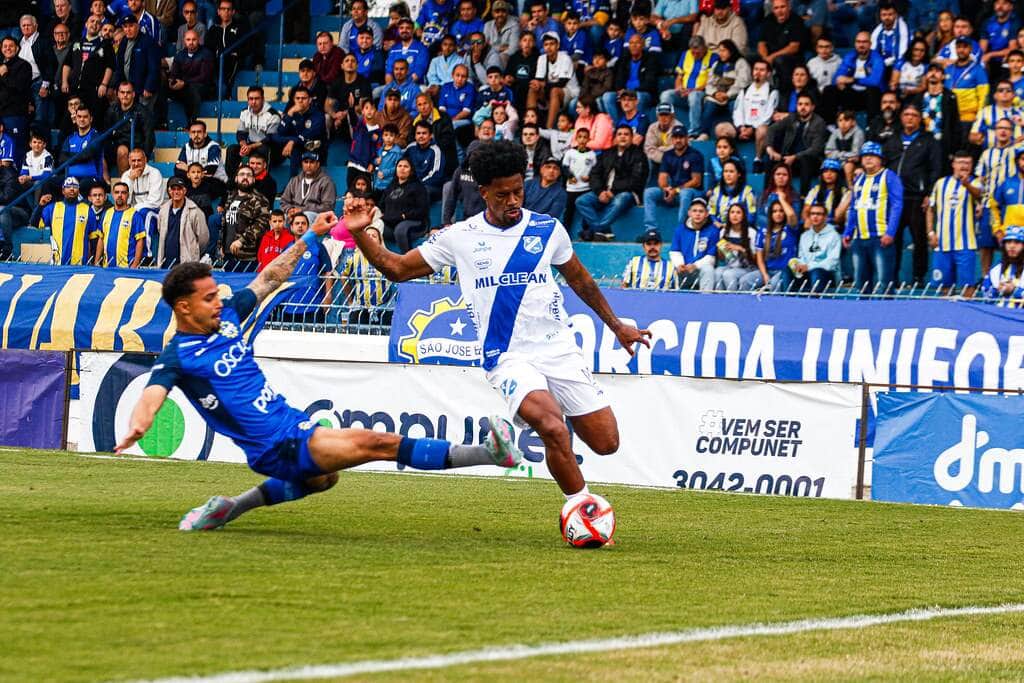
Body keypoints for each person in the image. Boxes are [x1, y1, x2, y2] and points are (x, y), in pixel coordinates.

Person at [117, 215, 522, 530]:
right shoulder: (178, 356)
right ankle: (491, 453)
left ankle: (228, 508)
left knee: (324, 481)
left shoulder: (228, 319)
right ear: (184, 308)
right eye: (208, 299)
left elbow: (270, 277)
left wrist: (311, 236)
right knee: (377, 442)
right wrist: (139, 425)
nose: (219, 302)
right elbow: (152, 396)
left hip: (291, 425)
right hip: (276, 445)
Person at [345, 139, 649, 506]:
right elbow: (396, 268)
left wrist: (616, 326)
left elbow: (581, 280)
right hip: (507, 356)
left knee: (606, 442)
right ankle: (581, 507)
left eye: (518, 191)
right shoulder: (460, 237)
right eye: (502, 194)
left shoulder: (548, 229)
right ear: (484, 191)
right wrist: (361, 232)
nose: (513, 201)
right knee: (553, 427)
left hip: (559, 349)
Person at [882, 103, 943, 286]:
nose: (910, 117)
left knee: (919, 239)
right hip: (894, 198)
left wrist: (929, 193)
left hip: (916, 197)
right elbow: (883, 165)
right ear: (901, 117)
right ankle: (891, 277)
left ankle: (918, 277)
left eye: (914, 115)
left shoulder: (929, 141)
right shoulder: (892, 140)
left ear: (920, 119)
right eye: (906, 114)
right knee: (893, 238)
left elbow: (935, 168)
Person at [843, 141, 904, 293]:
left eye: (872, 156)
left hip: (880, 237)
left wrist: (890, 232)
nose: (868, 159)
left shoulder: (889, 177)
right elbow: (853, 208)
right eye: (865, 156)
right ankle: (863, 315)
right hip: (859, 238)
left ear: (880, 159)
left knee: (884, 283)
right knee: (861, 284)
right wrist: (848, 232)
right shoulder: (859, 180)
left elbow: (897, 206)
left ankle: (887, 314)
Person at [575, 124, 648, 241]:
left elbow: (636, 180)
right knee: (581, 201)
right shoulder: (607, 153)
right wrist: (600, 192)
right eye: (619, 134)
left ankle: (597, 229)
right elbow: (594, 174)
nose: (622, 137)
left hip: (627, 193)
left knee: (621, 199)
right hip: (603, 192)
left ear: (632, 137)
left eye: (626, 134)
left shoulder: (639, 155)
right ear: (615, 137)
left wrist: (613, 191)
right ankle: (602, 230)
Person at [926, 151, 983, 295]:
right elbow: (930, 209)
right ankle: (945, 316)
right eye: (960, 162)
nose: (963, 166)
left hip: (966, 244)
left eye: (967, 163)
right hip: (943, 244)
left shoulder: (976, 183)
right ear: (953, 164)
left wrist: (966, 185)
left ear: (972, 166)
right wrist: (930, 232)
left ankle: (968, 316)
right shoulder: (941, 183)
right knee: (944, 286)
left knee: (967, 286)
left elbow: (980, 196)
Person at [976, 119, 1018, 276]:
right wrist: (979, 203)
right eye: (1000, 128)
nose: (1003, 131)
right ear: (994, 131)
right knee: (986, 245)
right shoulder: (987, 154)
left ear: (1012, 132)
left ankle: (1010, 277)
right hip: (988, 205)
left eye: (1007, 128)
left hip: (1010, 206)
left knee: (1010, 244)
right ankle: (986, 277)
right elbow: (981, 180)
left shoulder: (1017, 152)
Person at [643, 126, 704, 232]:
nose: (678, 140)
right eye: (675, 137)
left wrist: (675, 190)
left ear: (687, 138)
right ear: (672, 139)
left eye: (681, 137)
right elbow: (662, 178)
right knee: (649, 192)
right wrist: (666, 189)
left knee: (685, 193)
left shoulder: (695, 155)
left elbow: (696, 181)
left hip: (693, 193)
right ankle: (651, 229)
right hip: (674, 192)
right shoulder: (668, 155)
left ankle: (682, 230)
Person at [764, 92, 826, 193]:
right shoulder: (792, 118)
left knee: (806, 161)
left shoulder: (819, 123)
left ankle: (803, 196)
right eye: (800, 104)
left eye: (806, 104)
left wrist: (795, 157)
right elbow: (771, 129)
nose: (803, 107)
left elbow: (815, 149)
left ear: (813, 107)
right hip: (788, 158)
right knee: (770, 160)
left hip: (809, 160)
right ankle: (767, 194)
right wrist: (770, 149)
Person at [819, 31, 885, 124]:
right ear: (855, 43)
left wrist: (852, 80)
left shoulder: (877, 58)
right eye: (858, 42)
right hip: (852, 95)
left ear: (870, 44)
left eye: (864, 42)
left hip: (869, 97)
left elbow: (875, 81)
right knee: (829, 89)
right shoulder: (850, 56)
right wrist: (839, 82)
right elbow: (837, 77)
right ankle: (829, 125)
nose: (861, 45)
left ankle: (871, 127)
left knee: (872, 91)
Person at [33, 176, 100, 265]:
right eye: (68, 187)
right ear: (63, 191)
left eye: (75, 186)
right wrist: (40, 206)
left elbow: (93, 239)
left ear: (79, 191)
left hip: (80, 265)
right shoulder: (52, 208)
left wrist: (93, 261)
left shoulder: (87, 210)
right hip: (58, 264)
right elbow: (34, 223)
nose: (72, 189)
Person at [722, 59, 776, 171]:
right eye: (756, 69)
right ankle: (730, 159)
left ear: (768, 73)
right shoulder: (745, 90)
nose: (758, 72)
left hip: (758, 128)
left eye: (762, 70)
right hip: (743, 127)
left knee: (763, 130)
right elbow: (737, 110)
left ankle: (758, 159)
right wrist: (741, 127)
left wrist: (752, 128)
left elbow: (769, 115)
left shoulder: (772, 91)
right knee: (721, 128)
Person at [662, 35, 717, 138]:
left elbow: (711, 81)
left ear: (704, 48)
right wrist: (679, 88)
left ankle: (694, 131)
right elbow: (679, 76)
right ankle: (667, 128)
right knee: (665, 95)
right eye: (693, 52)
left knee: (694, 95)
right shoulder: (686, 54)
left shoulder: (713, 57)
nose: (695, 55)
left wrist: (693, 90)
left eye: (698, 53)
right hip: (684, 91)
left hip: (702, 92)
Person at [740, 197, 799, 291]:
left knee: (773, 285)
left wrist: (782, 199)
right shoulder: (762, 231)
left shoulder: (790, 229)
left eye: (781, 211)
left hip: (784, 272)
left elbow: (791, 215)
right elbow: (759, 258)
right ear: (770, 214)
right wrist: (764, 274)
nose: (778, 214)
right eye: (774, 211)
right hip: (767, 270)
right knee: (745, 281)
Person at [220, 165, 270, 271]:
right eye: (242, 174)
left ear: (253, 179)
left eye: (249, 175)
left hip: (248, 256)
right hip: (228, 254)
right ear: (236, 178)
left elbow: (261, 225)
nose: (245, 177)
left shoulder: (260, 200)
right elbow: (226, 223)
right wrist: (221, 245)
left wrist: (241, 241)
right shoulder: (231, 197)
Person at [60, 14, 114, 115]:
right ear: (86, 24)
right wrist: (64, 82)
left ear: (101, 27)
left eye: (98, 23)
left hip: (94, 90)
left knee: (92, 118)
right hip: (74, 90)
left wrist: (104, 84)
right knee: (71, 119)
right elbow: (67, 64)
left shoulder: (105, 45)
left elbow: (109, 66)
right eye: (92, 21)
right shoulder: (76, 42)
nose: (94, 24)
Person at [227, 87, 281, 179]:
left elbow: (270, 139)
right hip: (252, 146)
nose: (253, 102)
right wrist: (244, 145)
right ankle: (233, 182)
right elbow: (241, 133)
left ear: (263, 99)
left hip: (272, 148)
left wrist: (250, 147)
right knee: (232, 149)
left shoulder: (273, 115)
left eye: (257, 98)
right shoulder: (245, 112)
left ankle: (262, 183)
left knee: (264, 149)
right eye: (251, 99)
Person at [274, 86, 328, 176]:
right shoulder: (292, 112)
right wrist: (289, 113)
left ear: (310, 100)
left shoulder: (318, 115)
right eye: (297, 98)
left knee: (296, 148)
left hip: (315, 147)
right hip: (297, 145)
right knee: (273, 137)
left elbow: (310, 135)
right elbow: (280, 132)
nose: (300, 101)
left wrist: (292, 141)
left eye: (303, 98)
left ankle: (293, 184)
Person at [111, 14, 159, 113]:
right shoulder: (123, 41)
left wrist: (148, 86)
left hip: (143, 90)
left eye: (131, 26)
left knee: (144, 117)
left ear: (138, 26)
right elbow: (119, 66)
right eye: (125, 26)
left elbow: (154, 67)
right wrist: (117, 86)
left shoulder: (148, 41)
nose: (128, 29)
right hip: (128, 90)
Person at [157, 176, 209, 268]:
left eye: (179, 189)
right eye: (173, 189)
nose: (176, 192)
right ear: (169, 191)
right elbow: (160, 230)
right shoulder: (163, 210)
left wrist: (193, 251)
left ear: (184, 191)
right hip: (166, 263)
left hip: (186, 264)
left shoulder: (195, 211)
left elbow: (203, 239)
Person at [913, 63, 960, 161]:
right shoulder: (918, 97)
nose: (933, 73)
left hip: (943, 145)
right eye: (930, 71)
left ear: (943, 76)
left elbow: (955, 124)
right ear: (926, 75)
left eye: (937, 71)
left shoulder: (950, 97)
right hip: (922, 144)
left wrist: (953, 150)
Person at [381, 157, 429, 253]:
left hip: (414, 222)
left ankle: (407, 260)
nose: (402, 168)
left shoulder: (418, 187)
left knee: (400, 230)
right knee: (374, 227)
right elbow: (381, 204)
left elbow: (422, 210)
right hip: (391, 223)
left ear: (411, 170)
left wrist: (404, 216)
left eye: (406, 166)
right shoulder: (391, 186)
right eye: (400, 166)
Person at [668, 197, 718, 290]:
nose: (697, 214)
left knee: (708, 269)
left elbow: (711, 257)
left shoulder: (713, 231)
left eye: (701, 211)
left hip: (700, 270)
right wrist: (680, 264)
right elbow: (675, 251)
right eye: (694, 211)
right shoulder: (680, 229)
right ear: (689, 213)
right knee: (668, 269)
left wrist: (695, 266)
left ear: (707, 214)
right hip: (683, 270)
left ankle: (706, 299)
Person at [603, 33, 657, 120]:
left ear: (643, 45)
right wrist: (620, 89)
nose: (634, 46)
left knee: (639, 97)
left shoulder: (650, 59)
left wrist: (632, 92)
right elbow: (618, 79)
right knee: (607, 96)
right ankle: (618, 125)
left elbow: (649, 82)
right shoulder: (624, 59)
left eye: (637, 43)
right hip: (625, 93)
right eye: (631, 43)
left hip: (642, 92)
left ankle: (638, 123)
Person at [18, 14, 58, 130]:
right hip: (23, 86)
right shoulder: (19, 43)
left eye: (28, 25)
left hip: (39, 83)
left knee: (40, 119)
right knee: (25, 117)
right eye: (23, 25)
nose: (26, 28)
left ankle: (43, 145)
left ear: (35, 26)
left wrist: (45, 85)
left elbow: (51, 63)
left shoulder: (43, 41)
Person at [167, 30, 213, 125]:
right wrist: (172, 82)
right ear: (184, 41)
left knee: (192, 91)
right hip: (183, 86)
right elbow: (174, 73)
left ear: (199, 40)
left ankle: (193, 123)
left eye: (194, 39)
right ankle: (163, 122)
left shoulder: (206, 54)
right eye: (188, 40)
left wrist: (185, 83)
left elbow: (204, 77)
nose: (191, 42)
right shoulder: (180, 55)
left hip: (201, 87)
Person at [792, 203, 840, 291]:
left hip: (826, 273)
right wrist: (799, 265)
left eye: (818, 214)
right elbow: (802, 257)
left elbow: (832, 262)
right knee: (787, 271)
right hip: (807, 272)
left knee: (816, 272)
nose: (815, 217)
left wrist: (809, 267)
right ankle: (787, 302)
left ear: (825, 217)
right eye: (812, 214)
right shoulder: (804, 236)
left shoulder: (834, 236)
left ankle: (815, 303)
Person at [944, 36, 989, 131]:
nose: (961, 50)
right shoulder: (948, 69)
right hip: (949, 118)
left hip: (968, 119)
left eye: (965, 47)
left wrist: (979, 118)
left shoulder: (978, 70)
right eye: (959, 47)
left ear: (970, 49)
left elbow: (984, 96)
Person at [104, 82, 150, 175]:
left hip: (136, 147)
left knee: (122, 150)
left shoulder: (142, 111)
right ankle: (106, 184)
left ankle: (124, 184)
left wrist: (144, 155)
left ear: (133, 94)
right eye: (122, 92)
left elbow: (149, 136)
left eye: (128, 92)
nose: (125, 95)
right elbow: (106, 134)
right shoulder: (112, 110)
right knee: (96, 151)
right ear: (117, 94)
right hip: (116, 146)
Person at [59, 105, 106, 194]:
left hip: (91, 177)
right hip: (71, 178)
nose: (82, 119)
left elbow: (87, 155)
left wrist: (71, 156)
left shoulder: (95, 136)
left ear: (91, 119)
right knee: (49, 183)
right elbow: (62, 159)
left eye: (85, 117)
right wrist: (80, 156)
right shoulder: (70, 138)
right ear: (75, 118)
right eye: (79, 117)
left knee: (81, 186)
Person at [99, 180, 147, 268]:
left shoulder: (135, 215)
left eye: (123, 192)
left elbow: (140, 241)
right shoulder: (106, 213)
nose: (120, 195)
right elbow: (101, 238)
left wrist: (135, 265)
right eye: (117, 192)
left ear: (128, 195)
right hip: (107, 267)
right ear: (112, 195)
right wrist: (97, 262)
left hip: (127, 267)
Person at [280, 153, 337, 223]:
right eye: (306, 162)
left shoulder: (326, 182)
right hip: (295, 213)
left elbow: (328, 207)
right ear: (302, 164)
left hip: (316, 215)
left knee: (306, 216)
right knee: (282, 218)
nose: (308, 165)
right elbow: (284, 201)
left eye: (312, 162)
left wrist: (303, 210)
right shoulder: (294, 180)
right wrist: (290, 210)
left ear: (318, 164)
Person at [175, 119, 227, 194]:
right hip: (194, 182)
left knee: (203, 185)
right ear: (190, 134)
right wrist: (196, 173)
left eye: (199, 132)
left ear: (205, 134)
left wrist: (188, 169)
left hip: (214, 182)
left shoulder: (214, 147)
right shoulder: (186, 147)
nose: (196, 135)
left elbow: (209, 172)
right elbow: (178, 170)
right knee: (174, 181)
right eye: (193, 132)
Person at [714, 203, 758, 290]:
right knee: (717, 272)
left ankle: (733, 300)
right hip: (730, 266)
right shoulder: (723, 232)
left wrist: (740, 249)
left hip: (748, 268)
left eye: (738, 212)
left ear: (743, 216)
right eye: (732, 212)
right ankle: (719, 300)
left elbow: (755, 260)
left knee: (728, 274)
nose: (735, 215)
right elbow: (722, 259)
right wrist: (720, 250)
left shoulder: (751, 232)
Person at [980, 226, 1024, 304]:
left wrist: (1015, 290)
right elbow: (985, 296)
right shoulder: (996, 269)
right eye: (1008, 242)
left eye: (1017, 242)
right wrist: (997, 290)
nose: (1012, 246)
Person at [484, 0, 520, 68]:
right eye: (497, 11)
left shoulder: (514, 25)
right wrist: (499, 49)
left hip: (508, 58)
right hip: (491, 56)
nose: (500, 14)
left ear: (507, 12)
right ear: (492, 13)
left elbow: (514, 48)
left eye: (503, 11)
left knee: (502, 57)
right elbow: (485, 47)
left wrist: (493, 49)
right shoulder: (487, 25)